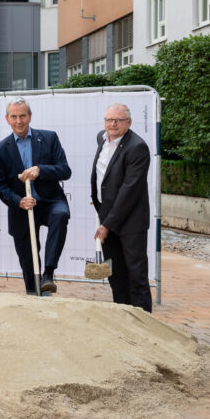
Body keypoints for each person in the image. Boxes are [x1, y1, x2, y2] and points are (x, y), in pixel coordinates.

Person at [0, 97, 72, 296]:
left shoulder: (49, 138)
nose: (19, 121)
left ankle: (49, 274)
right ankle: (33, 293)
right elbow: (1, 187)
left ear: (30, 116)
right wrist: (18, 201)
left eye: (23, 116)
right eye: (14, 117)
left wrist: (41, 170)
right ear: (7, 119)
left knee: (60, 215)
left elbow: (65, 170)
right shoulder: (0, 149)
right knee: (28, 259)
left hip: (51, 201)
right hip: (22, 208)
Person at [91, 103, 152, 313]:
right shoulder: (102, 138)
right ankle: (123, 317)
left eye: (119, 120)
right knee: (115, 275)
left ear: (129, 123)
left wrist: (106, 225)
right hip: (107, 217)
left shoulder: (137, 147)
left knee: (136, 275)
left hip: (130, 222)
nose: (113, 124)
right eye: (109, 120)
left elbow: (129, 191)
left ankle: (143, 321)